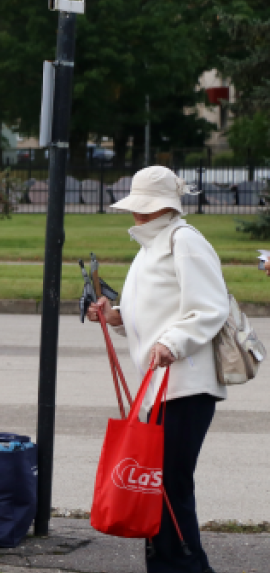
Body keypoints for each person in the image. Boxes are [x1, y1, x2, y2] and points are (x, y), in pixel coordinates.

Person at [87, 166, 227, 573]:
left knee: (168, 485)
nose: (137, 216)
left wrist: (172, 342)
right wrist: (114, 316)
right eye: (137, 208)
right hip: (163, 385)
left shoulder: (184, 241)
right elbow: (152, 309)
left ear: (166, 206)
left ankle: (183, 566)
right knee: (160, 484)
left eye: (145, 209)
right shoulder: (152, 245)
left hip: (187, 383)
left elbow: (210, 308)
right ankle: (171, 563)